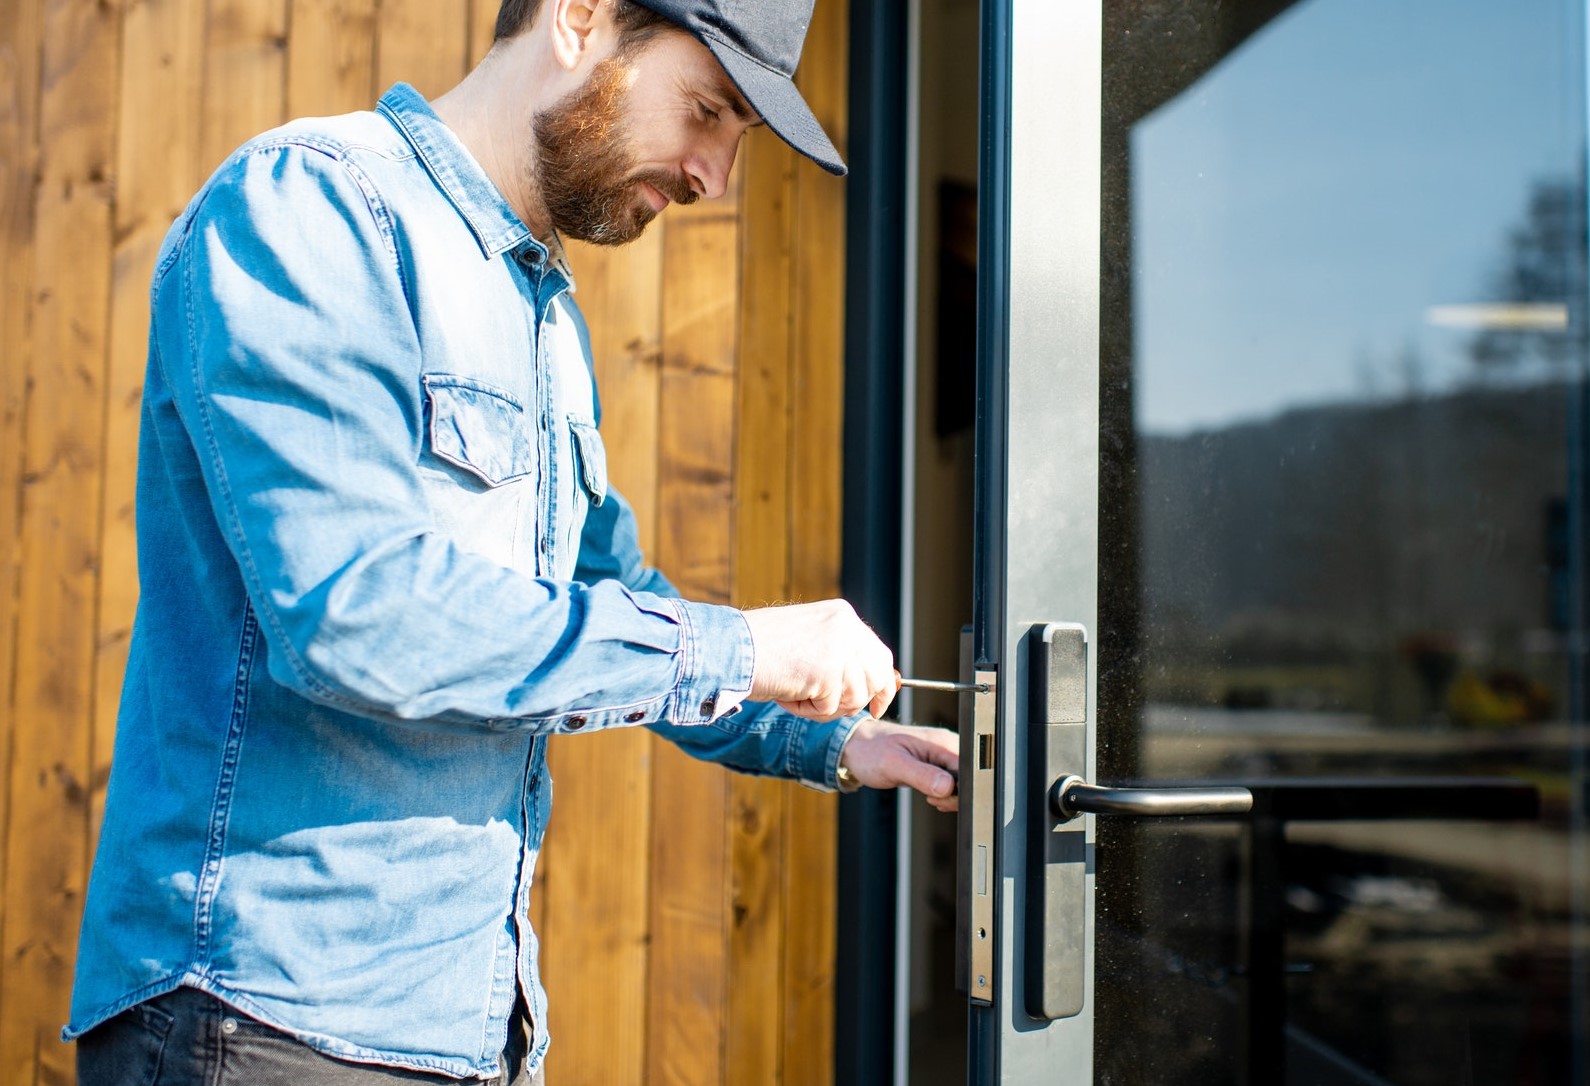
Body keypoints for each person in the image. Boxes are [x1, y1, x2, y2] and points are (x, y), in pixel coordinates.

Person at [65, 0, 959, 1082]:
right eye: (708, 111)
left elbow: (611, 598)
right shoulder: (311, 208)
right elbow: (359, 610)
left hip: (474, 1032)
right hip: (262, 1025)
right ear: (581, 19)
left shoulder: (544, 320)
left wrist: (826, 743)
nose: (715, 175)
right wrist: (748, 649)